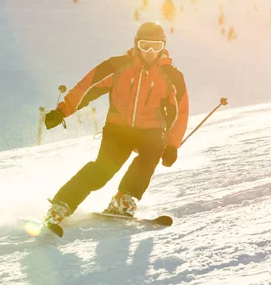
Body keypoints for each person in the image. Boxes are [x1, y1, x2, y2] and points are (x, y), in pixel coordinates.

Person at [43, 21, 189, 226]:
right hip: (119, 129)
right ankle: (62, 204)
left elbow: (180, 111)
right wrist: (61, 111)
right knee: (103, 170)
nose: (149, 51)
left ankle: (124, 198)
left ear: (163, 47)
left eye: (156, 46)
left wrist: (172, 145)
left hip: (151, 130)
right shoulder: (117, 66)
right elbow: (86, 88)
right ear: (136, 45)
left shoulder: (172, 76)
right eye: (144, 45)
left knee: (149, 157)